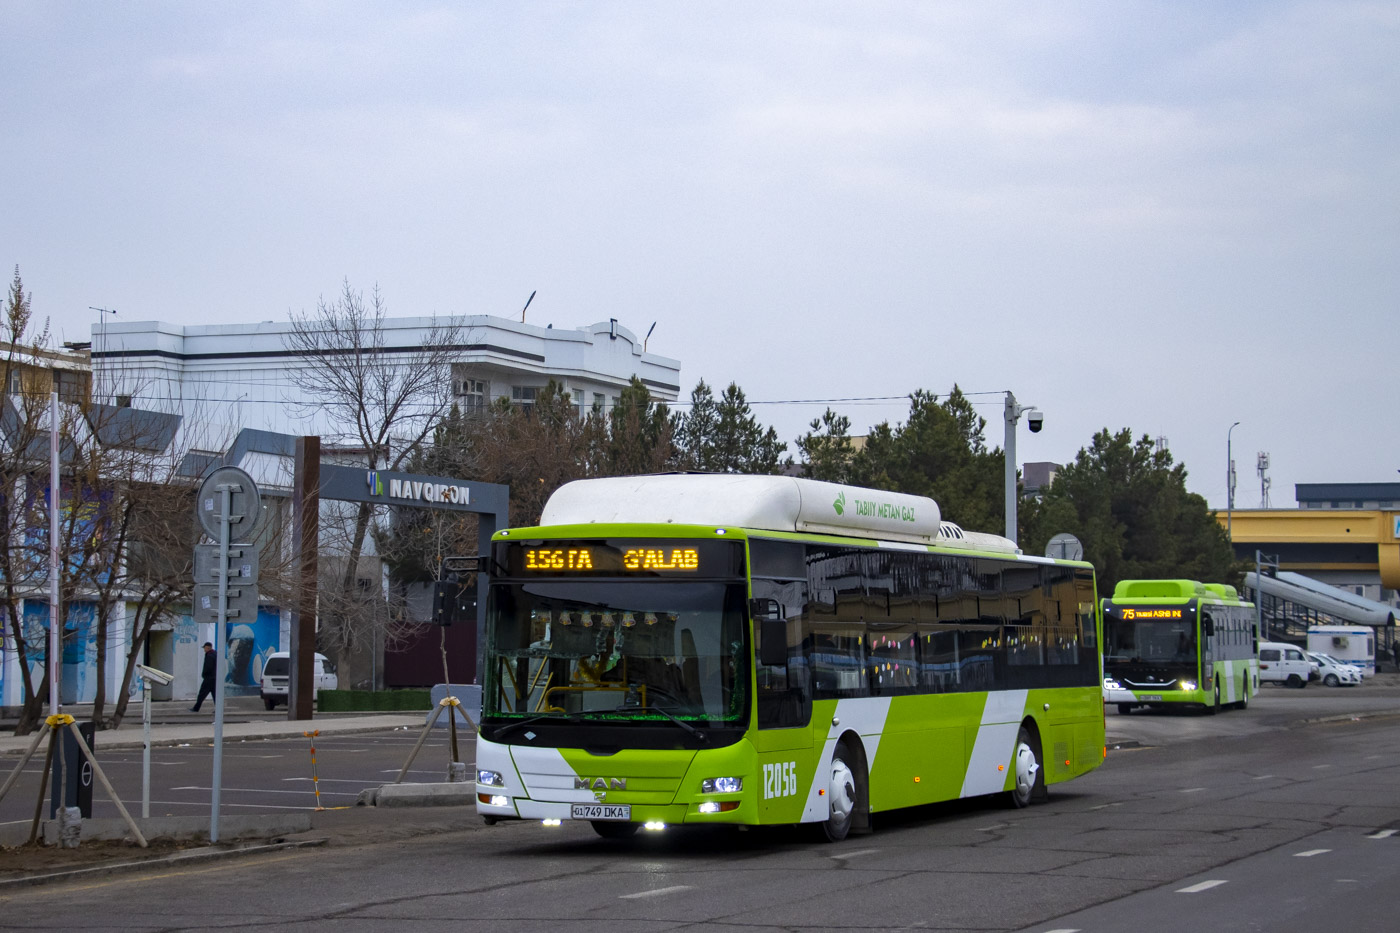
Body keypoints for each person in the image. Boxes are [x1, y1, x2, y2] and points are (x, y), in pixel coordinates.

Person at [190, 642, 217, 712]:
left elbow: (208, 667)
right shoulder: (215, 654)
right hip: (215, 678)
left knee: (202, 694)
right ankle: (218, 709)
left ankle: (196, 708)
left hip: (209, 678)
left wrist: (204, 674)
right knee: (215, 695)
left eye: (204, 648)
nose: (204, 650)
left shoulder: (210, 656)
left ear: (208, 648)